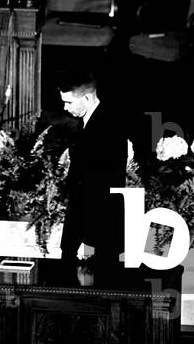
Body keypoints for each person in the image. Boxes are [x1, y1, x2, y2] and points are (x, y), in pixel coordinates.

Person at [59, 78, 127, 264]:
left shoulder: (111, 125)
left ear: (87, 98)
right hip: (84, 220)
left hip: (101, 224)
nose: (65, 108)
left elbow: (103, 183)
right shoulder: (87, 122)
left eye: (69, 102)